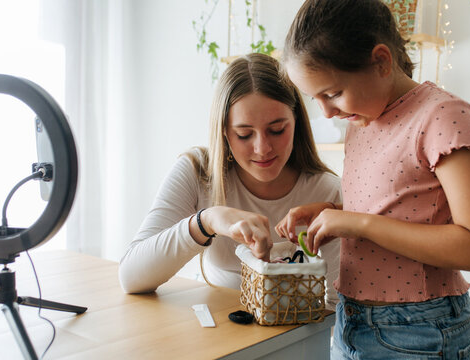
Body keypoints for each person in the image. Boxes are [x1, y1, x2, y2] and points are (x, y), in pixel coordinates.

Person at [274, 0, 470, 359]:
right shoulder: (363, 119)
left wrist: (359, 223)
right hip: (350, 324)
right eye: (315, 98)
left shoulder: (442, 116)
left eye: (333, 93)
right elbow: (405, 211)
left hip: (420, 333)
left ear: (382, 61)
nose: (327, 112)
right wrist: (334, 213)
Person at [118, 53, 342, 308]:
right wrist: (207, 221)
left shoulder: (327, 191)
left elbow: (337, 306)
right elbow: (130, 277)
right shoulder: (197, 172)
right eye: (244, 134)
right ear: (223, 132)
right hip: (216, 331)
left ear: (297, 122)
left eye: (277, 130)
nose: (263, 148)